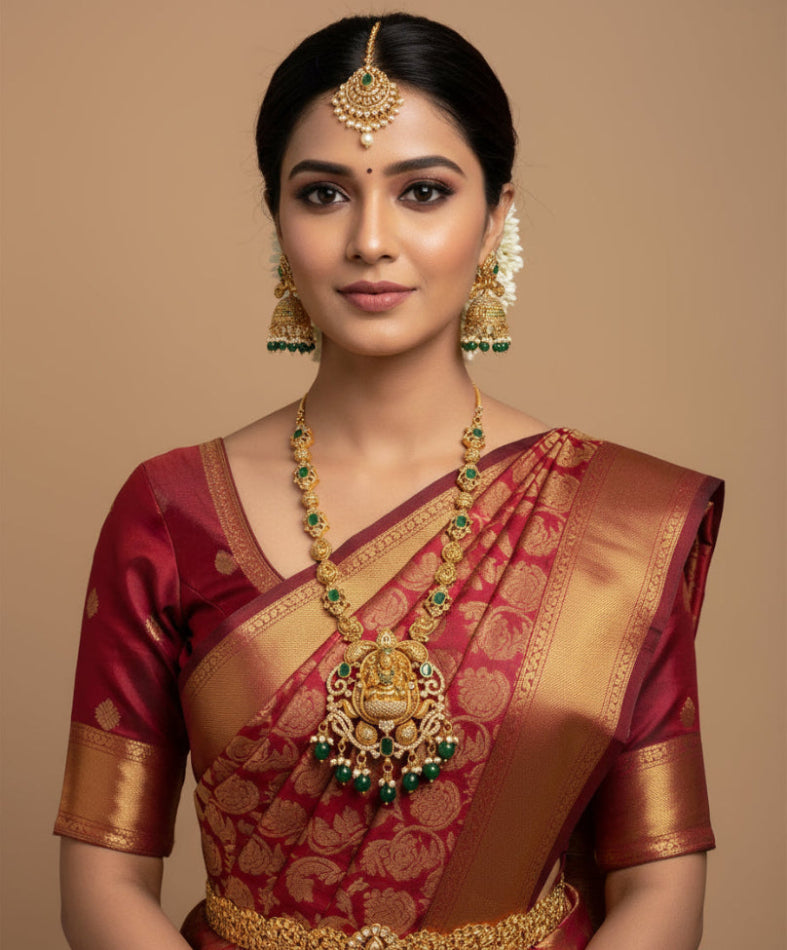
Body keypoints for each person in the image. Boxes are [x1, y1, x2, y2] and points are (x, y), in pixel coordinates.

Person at [55, 13, 723, 950]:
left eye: (422, 191)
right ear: (276, 218)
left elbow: (658, 878)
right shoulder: (171, 511)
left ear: (495, 217)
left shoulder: (620, 521)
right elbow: (103, 876)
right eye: (323, 193)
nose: (371, 239)